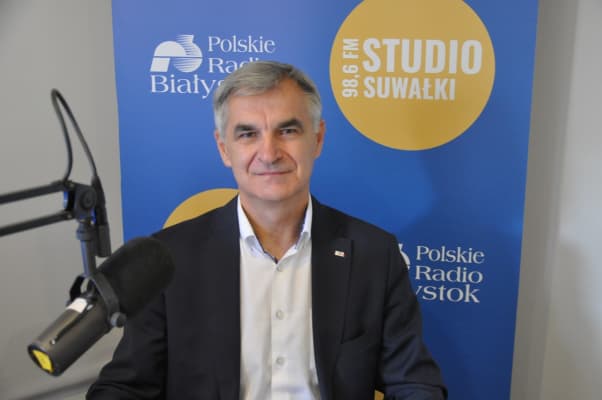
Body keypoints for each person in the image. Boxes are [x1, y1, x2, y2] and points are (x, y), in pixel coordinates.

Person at [87, 61, 447, 399]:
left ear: (318, 138)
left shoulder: (374, 255)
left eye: (287, 131)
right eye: (248, 134)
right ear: (224, 149)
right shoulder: (169, 260)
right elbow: (124, 388)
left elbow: (415, 383)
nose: (269, 152)